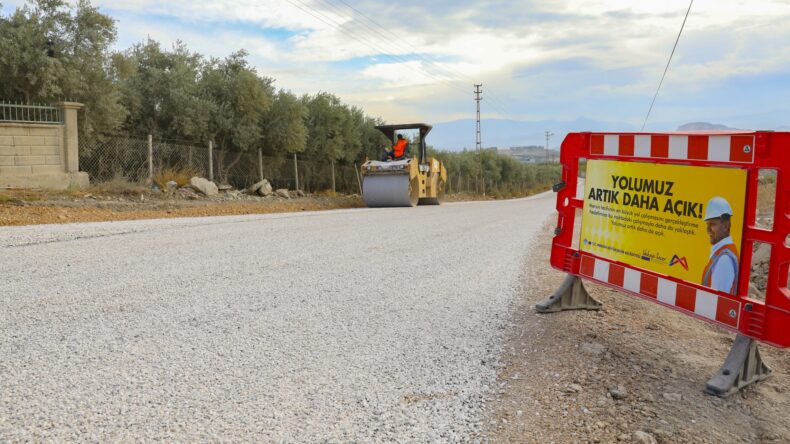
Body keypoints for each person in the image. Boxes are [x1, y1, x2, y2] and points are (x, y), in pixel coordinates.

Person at [701, 196, 739, 294]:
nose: (708, 229)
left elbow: (717, 300)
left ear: (726, 226)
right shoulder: (721, 252)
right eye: (707, 224)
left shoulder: (724, 259)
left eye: (712, 224)